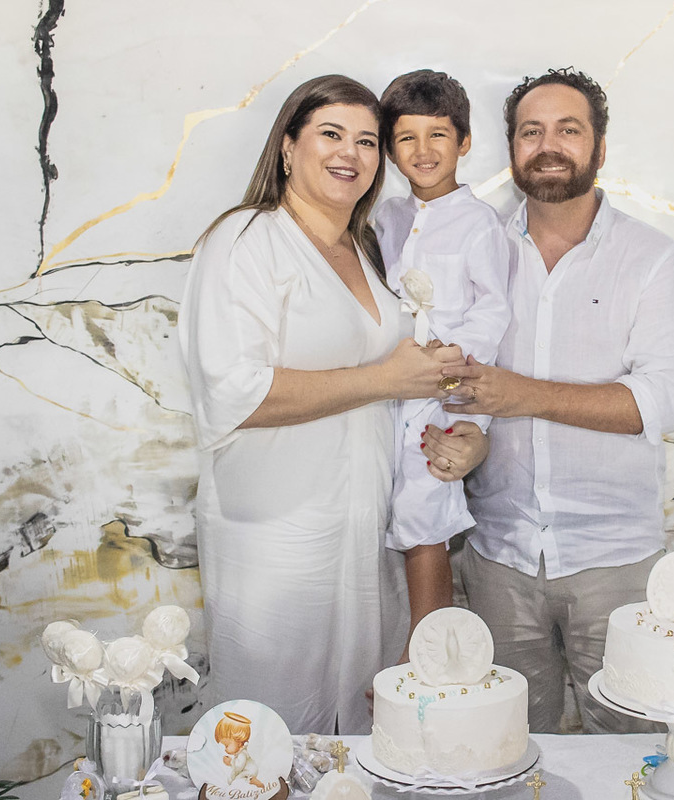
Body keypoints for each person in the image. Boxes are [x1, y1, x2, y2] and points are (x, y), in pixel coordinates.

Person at [177, 74, 485, 734]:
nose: (351, 153)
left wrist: (456, 424)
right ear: (288, 147)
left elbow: (403, 382)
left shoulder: (366, 249)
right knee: (267, 735)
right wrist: (383, 379)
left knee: (360, 737)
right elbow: (234, 391)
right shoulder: (246, 239)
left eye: (368, 141)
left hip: (366, 539)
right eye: (331, 134)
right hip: (275, 539)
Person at [443, 67, 674, 733]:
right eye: (531, 131)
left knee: (635, 751)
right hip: (498, 559)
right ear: (512, 150)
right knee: (504, 749)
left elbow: (656, 403)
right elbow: (454, 384)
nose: (548, 145)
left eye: (568, 130)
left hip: (616, 563)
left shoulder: (654, 259)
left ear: (600, 148)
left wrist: (520, 394)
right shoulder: (476, 250)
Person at [371, 69, 511, 659]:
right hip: (385, 388)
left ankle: (424, 657)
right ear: (389, 148)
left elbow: (493, 309)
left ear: (464, 141)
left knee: (424, 517)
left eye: (438, 135)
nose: (423, 151)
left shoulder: (479, 223)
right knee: (380, 513)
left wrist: (451, 367)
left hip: (443, 393)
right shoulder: (385, 217)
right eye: (407, 138)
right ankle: (380, 650)